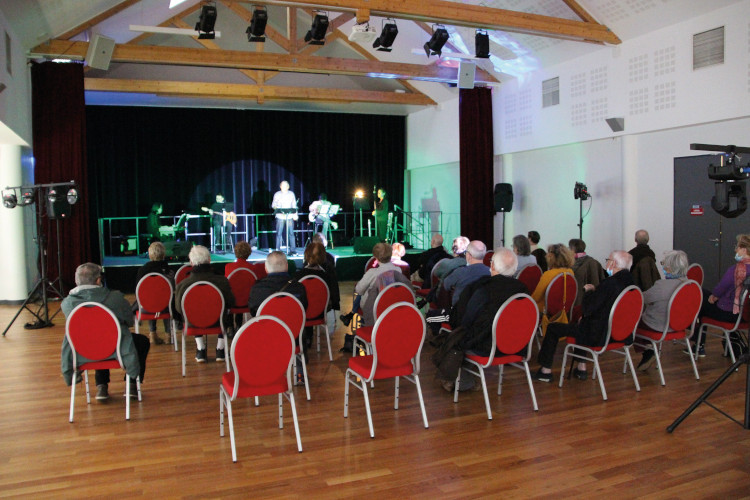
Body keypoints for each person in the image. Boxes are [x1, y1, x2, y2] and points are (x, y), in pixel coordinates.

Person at [535, 250, 634, 382]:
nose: (606, 263)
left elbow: (587, 308)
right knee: (583, 323)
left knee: (554, 328)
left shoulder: (609, 284)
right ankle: (581, 367)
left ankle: (545, 371)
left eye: (608, 260)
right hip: (621, 333)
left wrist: (588, 292)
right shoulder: (632, 284)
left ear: (614, 263)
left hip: (600, 335)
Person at [61, 263, 150, 401]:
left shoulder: (67, 303)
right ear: (98, 280)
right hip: (115, 349)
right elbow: (129, 321)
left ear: (77, 281)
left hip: (82, 351)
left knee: (95, 335)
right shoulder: (115, 299)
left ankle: (101, 386)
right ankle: (132, 384)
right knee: (141, 341)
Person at [340, 243, 411, 352]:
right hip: (393, 308)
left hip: (374, 309)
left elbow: (358, 290)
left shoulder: (372, 272)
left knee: (361, 295)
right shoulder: (398, 271)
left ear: (376, 257)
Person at [689, 234, 750, 357]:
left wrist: (714, 297)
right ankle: (699, 344)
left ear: (744, 250)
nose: (735, 250)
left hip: (729, 313)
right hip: (745, 314)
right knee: (703, 295)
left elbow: (720, 288)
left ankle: (698, 344)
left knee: (699, 297)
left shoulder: (736, 269)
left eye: (737, 247)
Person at [175, 245, 235, 363]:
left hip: (193, 323)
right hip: (219, 321)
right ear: (209, 260)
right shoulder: (222, 281)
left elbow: (178, 308)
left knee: (191, 311)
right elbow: (232, 302)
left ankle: (200, 348)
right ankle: (220, 349)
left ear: (191, 262)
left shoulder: (183, 285)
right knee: (227, 311)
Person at [637, 250, 690, 371]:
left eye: (663, 264)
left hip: (659, 325)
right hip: (680, 325)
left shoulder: (662, 285)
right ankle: (650, 348)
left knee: (632, 321)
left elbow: (642, 298)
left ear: (670, 268)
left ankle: (648, 350)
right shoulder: (690, 284)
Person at [134, 241, 174, 345]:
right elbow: (172, 289)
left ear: (150, 254)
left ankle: (152, 335)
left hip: (147, 307)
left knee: (149, 298)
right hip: (166, 306)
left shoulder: (142, 271)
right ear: (164, 254)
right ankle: (168, 336)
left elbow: (139, 291)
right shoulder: (169, 271)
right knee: (166, 298)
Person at [248, 251, 308, 316]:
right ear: (287, 266)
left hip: (266, 325)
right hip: (292, 325)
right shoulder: (298, 288)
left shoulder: (257, 289)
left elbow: (253, 313)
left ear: (266, 269)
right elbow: (303, 309)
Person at [531, 243, 575, 313]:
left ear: (551, 257)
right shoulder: (570, 272)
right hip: (563, 310)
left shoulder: (548, 274)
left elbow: (536, 298)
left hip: (544, 310)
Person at [569, 238, 606, 306]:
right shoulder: (594, 262)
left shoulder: (568, 264)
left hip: (578, 301)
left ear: (572, 249)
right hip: (588, 301)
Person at [272, 180, 298, 251]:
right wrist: (278, 209)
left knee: (291, 233)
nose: (284, 187)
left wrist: (295, 214)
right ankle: (278, 250)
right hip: (280, 216)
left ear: (288, 187)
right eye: (282, 185)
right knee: (279, 233)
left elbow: (294, 205)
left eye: (286, 185)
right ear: (280, 186)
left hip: (289, 216)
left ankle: (293, 250)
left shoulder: (291, 194)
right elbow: (273, 205)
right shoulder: (277, 194)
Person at [251, 180, 272, 249]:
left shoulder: (268, 193)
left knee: (268, 232)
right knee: (258, 232)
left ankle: (271, 247)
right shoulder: (256, 194)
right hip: (259, 215)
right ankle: (259, 246)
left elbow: (272, 204)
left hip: (266, 215)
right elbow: (253, 205)